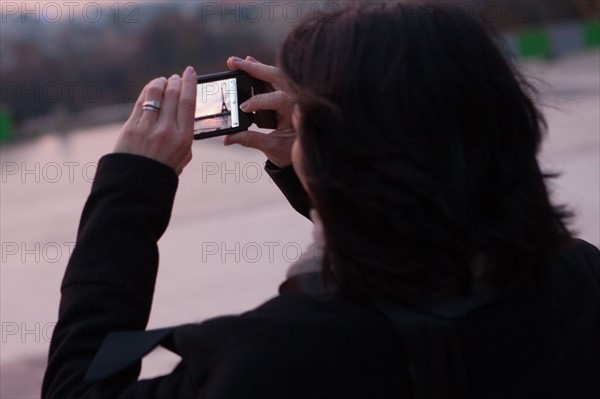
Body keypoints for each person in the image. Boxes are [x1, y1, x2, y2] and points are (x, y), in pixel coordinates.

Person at [42, 2, 599, 398]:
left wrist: (129, 187)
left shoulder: (279, 359)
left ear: (337, 148)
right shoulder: (579, 278)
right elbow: (424, 252)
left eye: (306, 113)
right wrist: (319, 178)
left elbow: (76, 387)